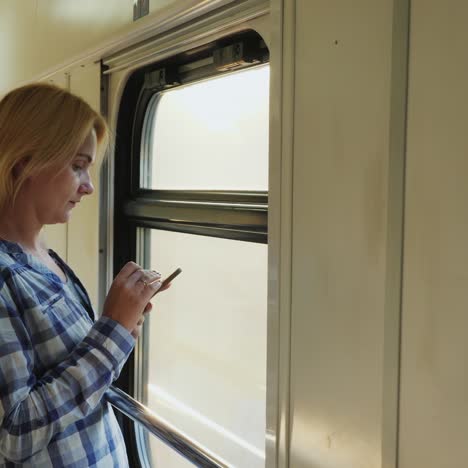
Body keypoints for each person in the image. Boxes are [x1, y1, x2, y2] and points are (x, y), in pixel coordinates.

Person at [0, 83, 164, 467]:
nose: (89, 187)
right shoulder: (5, 276)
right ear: (24, 161)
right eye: (77, 166)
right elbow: (15, 433)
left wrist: (125, 328)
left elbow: (82, 375)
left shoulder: (48, 258)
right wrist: (113, 332)